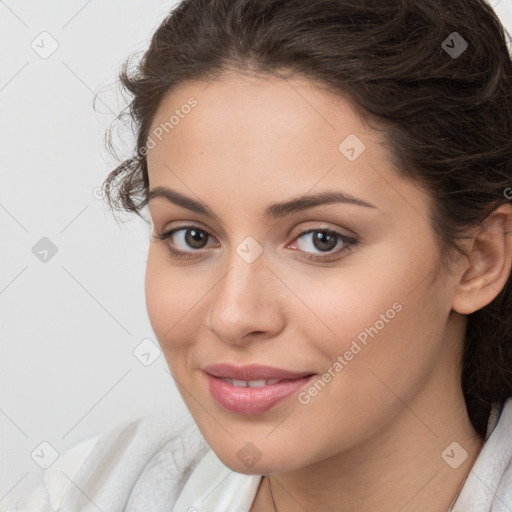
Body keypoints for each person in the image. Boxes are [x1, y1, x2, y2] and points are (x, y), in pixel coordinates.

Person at [9, 0, 512, 510]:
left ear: (479, 260)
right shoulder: (86, 493)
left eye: (322, 240)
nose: (233, 316)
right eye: (193, 237)